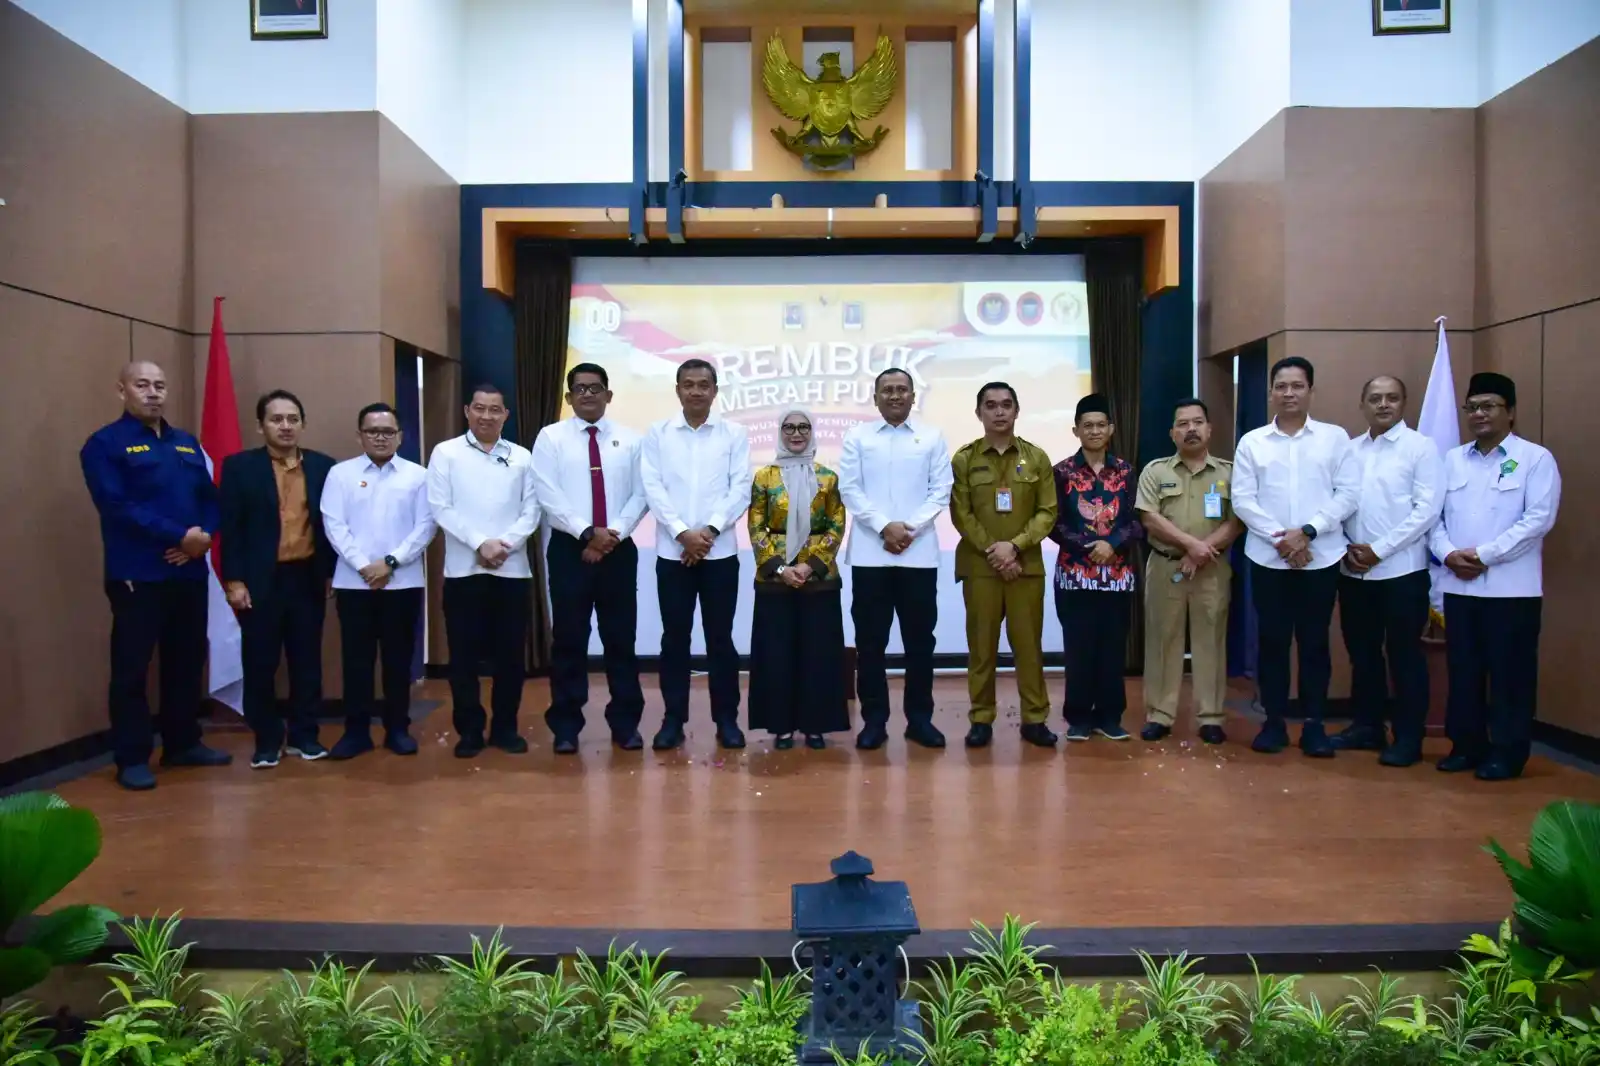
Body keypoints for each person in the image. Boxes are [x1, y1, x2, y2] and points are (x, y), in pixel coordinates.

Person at [80, 361, 232, 791]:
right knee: (132, 669)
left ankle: (183, 743)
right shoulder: (105, 444)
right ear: (122, 390)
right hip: (138, 574)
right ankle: (131, 757)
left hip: (187, 572)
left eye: (159, 386)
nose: (152, 393)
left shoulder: (185, 443)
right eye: (142, 385)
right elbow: (116, 505)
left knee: (185, 662)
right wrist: (178, 536)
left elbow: (210, 498)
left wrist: (201, 537)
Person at [1430, 372, 1560, 781]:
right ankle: (1466, 746)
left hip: (1511, 590)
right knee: (1464, 672)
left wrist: (1484, 556)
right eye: (1473, 407)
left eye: (1489, 406)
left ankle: (1507, 753)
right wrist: (1449, 553)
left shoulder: (1535, 459)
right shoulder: (1451, 460)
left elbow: (1537, 520)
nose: (1479, 414)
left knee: (1510, 676)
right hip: (1459, 585)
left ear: (1511, 412)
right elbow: (1432, 517)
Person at [1232, 356, 1359, 758]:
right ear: (1271, 391)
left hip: (1319, 559)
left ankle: (1314, 725)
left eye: (1297, 386)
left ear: (1310, 391)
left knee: (1314, 643)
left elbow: (1348, 495)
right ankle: (1272, 722)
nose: (1289, 393)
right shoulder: (1252, 442)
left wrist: (1306, 534)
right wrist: (1281, 540)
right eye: (1281, 386)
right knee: (1272, 643)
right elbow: (1243, 500)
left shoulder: (1335, 438)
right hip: (1269, 559)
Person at [530, 363, 649, 754]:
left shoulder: (631, 440)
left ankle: (626, 724)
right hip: (569, 549)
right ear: (568, 397)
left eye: (595, 388)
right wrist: (586, 532)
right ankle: (566, 726)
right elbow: (547, 493)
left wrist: (610, 535)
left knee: (620, 640)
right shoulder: (550, 439)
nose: (588, 395)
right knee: (569, 640)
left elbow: (642, 493)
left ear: (609, 395)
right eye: (579, 389)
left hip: (618, 548)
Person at [220, 389, 337, 768]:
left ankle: (306, 736)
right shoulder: (239, 467)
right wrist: (234, 580)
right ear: (260, 426)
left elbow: (332, 526)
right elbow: (231, 529)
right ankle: (267, 740)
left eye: (292, 419)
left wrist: (333, 571)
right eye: (276, 419)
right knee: (260, 662)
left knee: (307, 661)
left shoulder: (323, 467)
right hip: (259, 581)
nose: (285, 426)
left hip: (307, 577)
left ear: (302, 424)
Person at [837, 368, 953, 750]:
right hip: (871, 556)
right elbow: (850, 489)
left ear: (913, 396)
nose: (895, 396)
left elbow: (941, 491)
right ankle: (874, 721)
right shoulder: (857, 437)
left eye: (902, 390)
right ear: (874, 398)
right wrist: (885, 526)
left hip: (918, 557)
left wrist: (909, 529)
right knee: (870, 643)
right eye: (886, 390)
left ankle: (919, 720)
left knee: (920, 642)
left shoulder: (932, 436)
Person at [640, 359, 752, 751]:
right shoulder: (657, 434)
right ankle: (673, 719)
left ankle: (727, 720)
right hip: (673, 555)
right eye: (688, 384)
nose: (696, 391)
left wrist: (707, 533)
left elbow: (740, 487)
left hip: (719, 554)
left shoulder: (734, 434)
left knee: (720, 639)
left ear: (715, 391)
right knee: (675, 640)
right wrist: (682, 534)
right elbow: (652, 488)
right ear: (677, 390)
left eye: (704, 385)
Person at [426, 384, 541, 758]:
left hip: (512, 571)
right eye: (479, 408)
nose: (486, 416)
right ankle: (470, 731)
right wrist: (480, 543)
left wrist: (504, 545)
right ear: (466, 411)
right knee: (463, 658)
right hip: (464, 571)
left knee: (510, 657)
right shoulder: (446, 454)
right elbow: (441, 508)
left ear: (506, 415)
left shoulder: (522, 457)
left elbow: (533, 510)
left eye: (495, 410)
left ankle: (505, 728)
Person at [1334, 376, 1443, 767]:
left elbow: (1427, 510)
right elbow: (1339, 502)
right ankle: (1367, 726)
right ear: (1362, 404)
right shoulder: (1350, 450)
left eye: (1392, 398)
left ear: (1404, 403)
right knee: (1362, 654)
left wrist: (1378, 550)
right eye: (1375, 398)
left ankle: (1408, 737)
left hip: (1402, 572)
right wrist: (1347, 547)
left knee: (1404, 656)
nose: (1383, 405)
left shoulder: (1421, 448)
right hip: (1353, 572)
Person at [319, 403, 435, 759]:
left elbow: (426, 526)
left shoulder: (418, 476)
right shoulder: (340, 474)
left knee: (398, 662)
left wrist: (390, 562)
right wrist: (362, 565)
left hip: (402, 582)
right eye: (373, 431)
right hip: (355, 585)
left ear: (400, 436)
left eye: (388, 431)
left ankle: (397, 729)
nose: (381, 437)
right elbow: (333, 524)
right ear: (360, 436)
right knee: (357, 661)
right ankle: (356, 733)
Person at [949, 383, 1059, 748]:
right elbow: (961, 514)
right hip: (980, 569)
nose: (999, 412)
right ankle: (981, 718)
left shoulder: (1038, 458)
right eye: (991, 405)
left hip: (1025, 567)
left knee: (1029, 648)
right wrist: (994, 552)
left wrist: (1014, 547)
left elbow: (1047, 512)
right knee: (982, 648)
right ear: (978, 412)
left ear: (1016, 410)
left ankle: (1034, 718)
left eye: (1006, 405)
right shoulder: (964, 459)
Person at [1135, 398, 1243, 745]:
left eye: (1198, 422)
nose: (1191, 429)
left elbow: (1238, 520)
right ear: (1172, 433)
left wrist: (1200, 553)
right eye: (1183, 423)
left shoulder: (1229, 472)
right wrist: (1190, 546)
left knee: (1210, 641)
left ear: (1210, 429)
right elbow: (1149, 517)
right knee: (1162, 641)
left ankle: (1210, 716)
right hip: (1167, 566)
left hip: (1211, 570)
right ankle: (1159, 715)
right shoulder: (1156, 471)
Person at [746, 408, 849, 749]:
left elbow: (836, 524)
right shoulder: (764, 477)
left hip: (818, 580)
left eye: (803, 427)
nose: (796, 433)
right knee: (777, 654)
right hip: (776, 582)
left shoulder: (828, 477)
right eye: (789, 427)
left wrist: (810, 567)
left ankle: (815, 725)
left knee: (818, 654)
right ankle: (782, 727)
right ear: (780, 432)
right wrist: (780, 568)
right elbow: (756, 524)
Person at [1049, 394, 1142, 742]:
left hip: (1117, 577)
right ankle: (1078, 717)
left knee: (1112, 648)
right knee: (1079, 648)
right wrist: (1089, 547)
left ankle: (1110, 716)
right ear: (1076, 430)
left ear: (1111, 429)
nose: (1094, 430)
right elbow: (1053, 523)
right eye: (1087, 425)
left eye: (1101, 424)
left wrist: (1112, 544)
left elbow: (1136, 521)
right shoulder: (1061, 472)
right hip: (1075, 576)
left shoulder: (1127, 471)